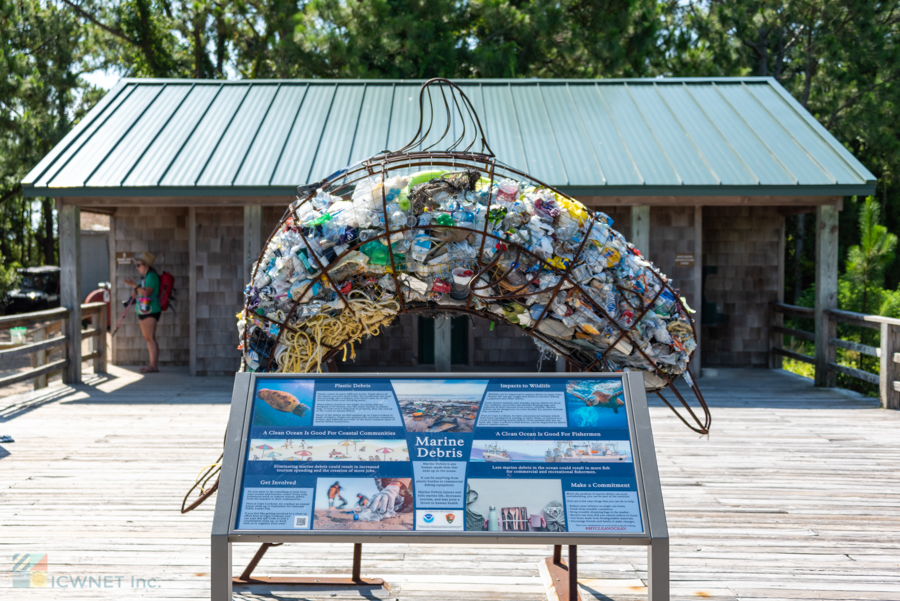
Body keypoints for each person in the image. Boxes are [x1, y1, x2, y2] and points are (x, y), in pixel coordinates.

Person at [124, 252, 161, 373]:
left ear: (146, 265)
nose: (137, 267)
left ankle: (153, 365)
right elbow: (140, 291)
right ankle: (152, 364)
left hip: (150, 310)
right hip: (144, 310)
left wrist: (133, 285)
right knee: (148, 338)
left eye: (139, 265)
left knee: (150, 338)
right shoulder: (145, 278)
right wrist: (134, 291)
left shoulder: (152, 276)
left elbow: (147, 292)